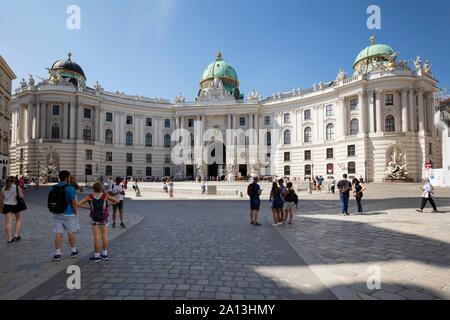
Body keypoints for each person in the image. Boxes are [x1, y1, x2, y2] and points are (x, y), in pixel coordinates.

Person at [78, 182, 119, 262]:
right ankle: (104, 254)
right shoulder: (105, 196)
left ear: (93, 188)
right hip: (104, 218)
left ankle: (96, 255)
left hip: (94, 219)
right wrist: (108, 205)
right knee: (104, 235)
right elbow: (117, 201)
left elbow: (78, 204)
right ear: (101, 188)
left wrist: (88, 208)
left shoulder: (89, 196)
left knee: (96, 237)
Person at [49, 170, 79, 261]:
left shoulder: (54, 187)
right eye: (69, 177)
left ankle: (57, 253)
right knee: (71, 232)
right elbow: (74, 202)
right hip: (68, 213)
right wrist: (76, 212)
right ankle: (73, 251)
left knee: (58, 233)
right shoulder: (70, 188)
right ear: (66, 178)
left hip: (57, 213)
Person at [0, 176, 25, 243]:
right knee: (18, 219)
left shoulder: (3, 188)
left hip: (6, 206)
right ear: (14, 181)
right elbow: (21, 196)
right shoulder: (17, 187)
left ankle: (9, 239)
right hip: (15, 205)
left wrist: (1, 207)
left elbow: (1, 199)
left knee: (8, 222)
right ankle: (16, 236)